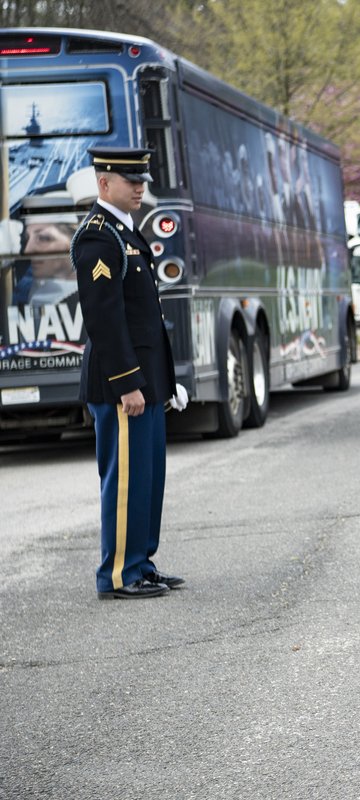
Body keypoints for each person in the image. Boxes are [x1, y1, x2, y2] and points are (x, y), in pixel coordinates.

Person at [73, 147, 187, 600]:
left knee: (146, 477)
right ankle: (118, 573)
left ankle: (140, 562)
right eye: (130, 180)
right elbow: (104, 319)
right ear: (104, 184)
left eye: (142, 179)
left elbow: (146, 318)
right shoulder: (99, 237)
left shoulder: (124, 232)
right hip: (121, 384)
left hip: (145, 381)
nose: (141, 186)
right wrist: (128, 384)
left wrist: (163, 379)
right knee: (124, 480)